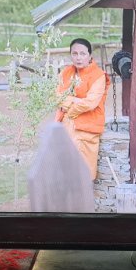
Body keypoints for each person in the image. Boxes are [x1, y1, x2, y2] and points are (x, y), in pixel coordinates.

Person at [56, 38, 110, 180]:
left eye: (82, 54)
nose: (78, 58)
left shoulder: (98, 75)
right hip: (65, 126)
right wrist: (76, 100)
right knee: (65, 171)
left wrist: (70, 110)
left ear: (90, 55)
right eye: (75, 54)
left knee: (84, 174)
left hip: (86, 128)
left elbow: (90, 103)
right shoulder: (66, 73)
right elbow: (57, 97)